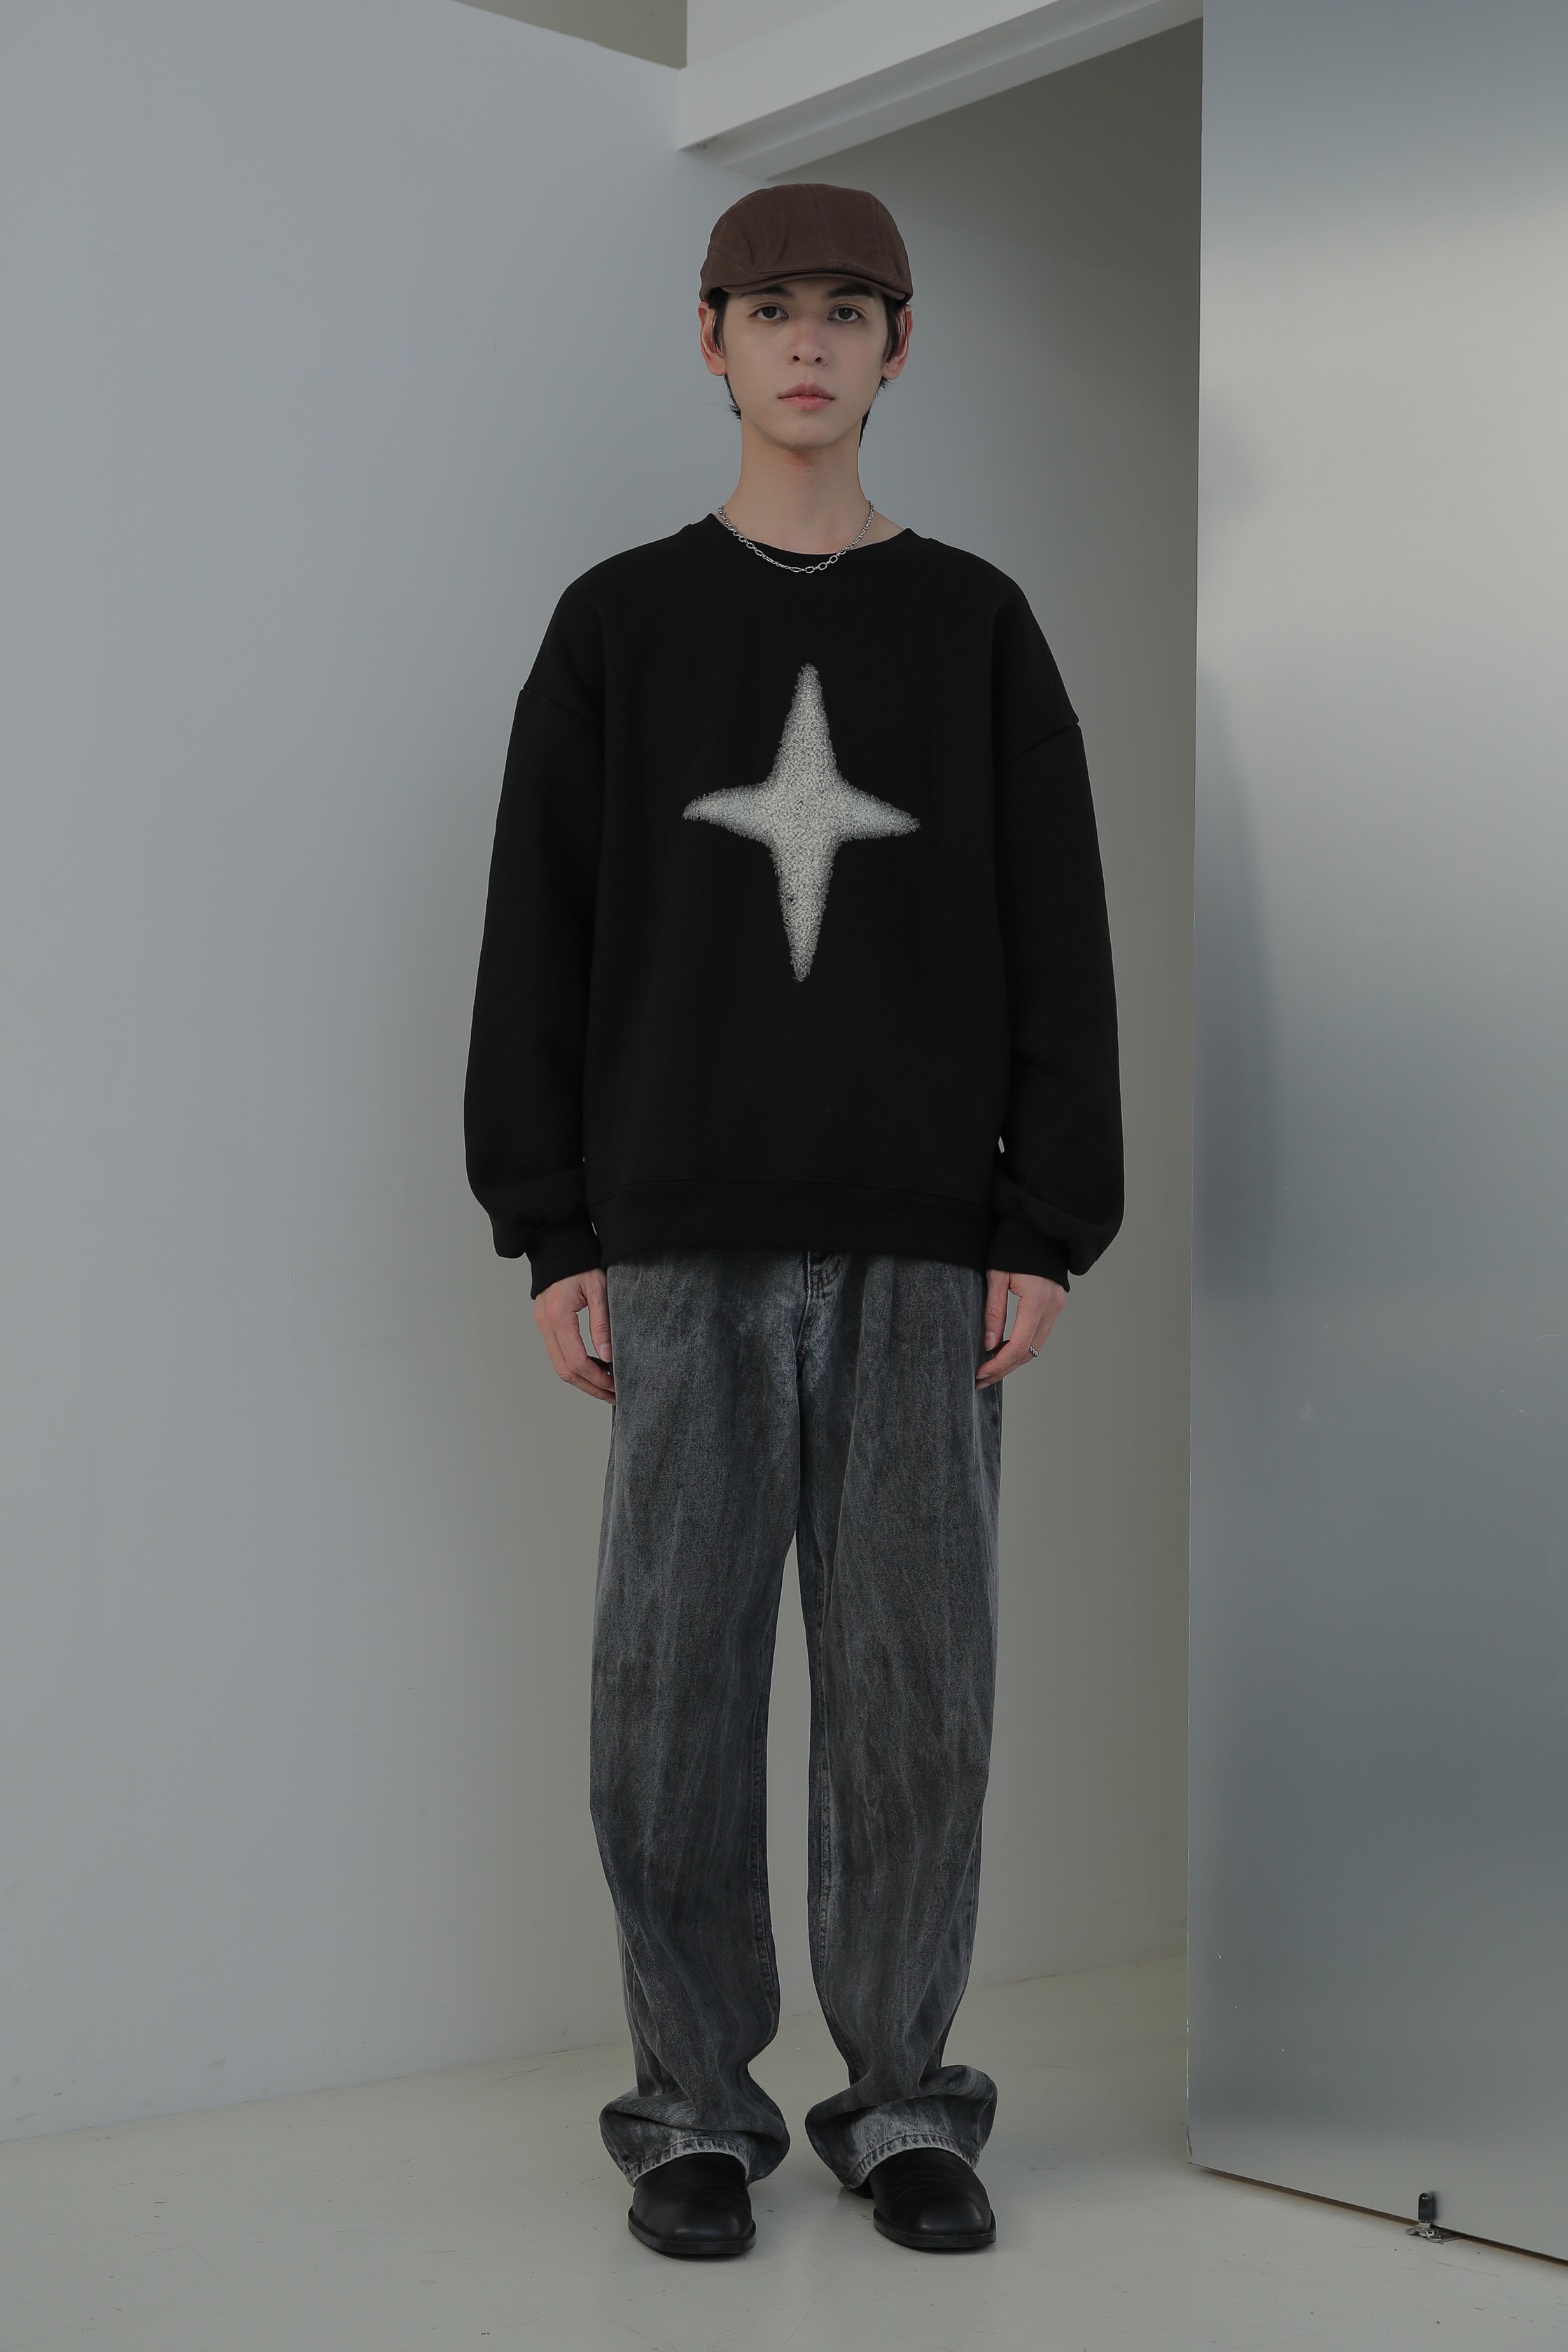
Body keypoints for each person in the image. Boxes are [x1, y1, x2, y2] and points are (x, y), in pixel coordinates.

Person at [464, 183, 1123, 2260]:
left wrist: (1049, 1219)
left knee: (918, 1702)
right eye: (772, 312)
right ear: (713, 340)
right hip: (675, 1241)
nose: (810, 344)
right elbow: (537, 934)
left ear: (900, 346)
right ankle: (691, 2111)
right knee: (669, 1692)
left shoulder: (979, 625)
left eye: (849, 310)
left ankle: (906, 2099)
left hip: (931, 1246)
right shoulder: (617, 626)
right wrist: (554, 1227)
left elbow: (1061, 934)